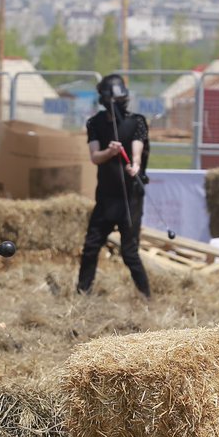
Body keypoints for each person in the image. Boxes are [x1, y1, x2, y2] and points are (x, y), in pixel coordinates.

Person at [76, 74, 151, 299]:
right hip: (106, 197)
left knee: (129, 253)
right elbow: (95, 157)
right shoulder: (95, 123)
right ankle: (82, 293)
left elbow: (137, 150)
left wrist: (135, 165)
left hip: (131, 198)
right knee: (91, 247)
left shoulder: (136, 121)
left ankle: (146, 296)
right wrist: (110, 152)